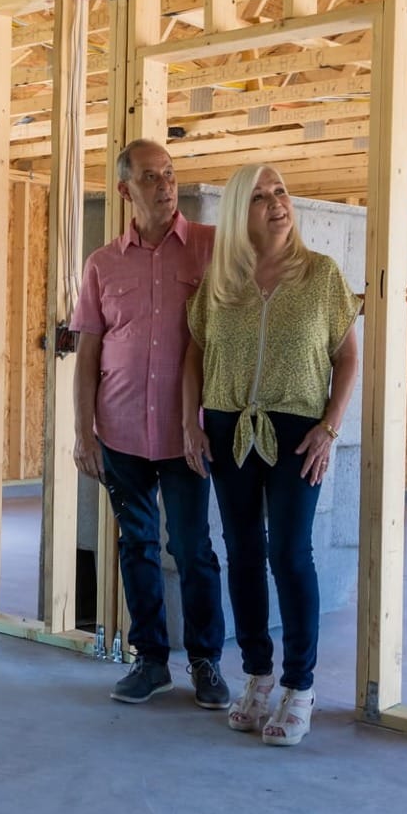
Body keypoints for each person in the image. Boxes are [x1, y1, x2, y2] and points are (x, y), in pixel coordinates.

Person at [182, 163, 373, 747]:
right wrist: (190, 423)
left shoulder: (322, 275)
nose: (276, 203)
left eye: (281, 192)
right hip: (227, 425)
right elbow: (196, 351)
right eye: (261, 196)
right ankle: (258, 676)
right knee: (241, 552)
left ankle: (300, 686)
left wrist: (330, 427)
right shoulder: (222, 281)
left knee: (290, 554)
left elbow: (347, 356)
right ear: (240, 211)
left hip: (298, 431)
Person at [72, 139, 229, 709]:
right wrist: (83, 432)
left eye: (169, 174)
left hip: (187, 434)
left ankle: (206, 662)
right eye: (150, 177)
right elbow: (88, 353)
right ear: (124, 190)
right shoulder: (102, 263)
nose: (165, 185)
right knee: (135, 545)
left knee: (191, 548)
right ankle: (151, 660)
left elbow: (277, 274)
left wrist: (378, 296)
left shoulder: (211, 248)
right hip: (119, 432)